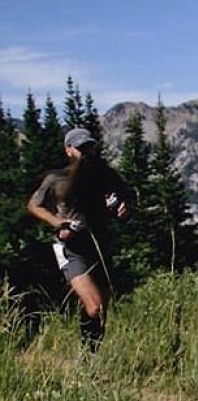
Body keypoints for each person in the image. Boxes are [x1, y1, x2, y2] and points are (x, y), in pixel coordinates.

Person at [27, 127, 131, 352]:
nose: (87, 152)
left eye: (90, 147)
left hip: (99, 246)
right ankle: (88, 357)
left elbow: (124, 200)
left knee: (100, 312)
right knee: (94, 307)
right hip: (70, 249)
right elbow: (33, 205)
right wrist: (57, 222)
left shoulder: (105, 176)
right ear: (69, 150)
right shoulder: (56, 179)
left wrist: (123, 209)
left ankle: (90, 357)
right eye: (81, 148)